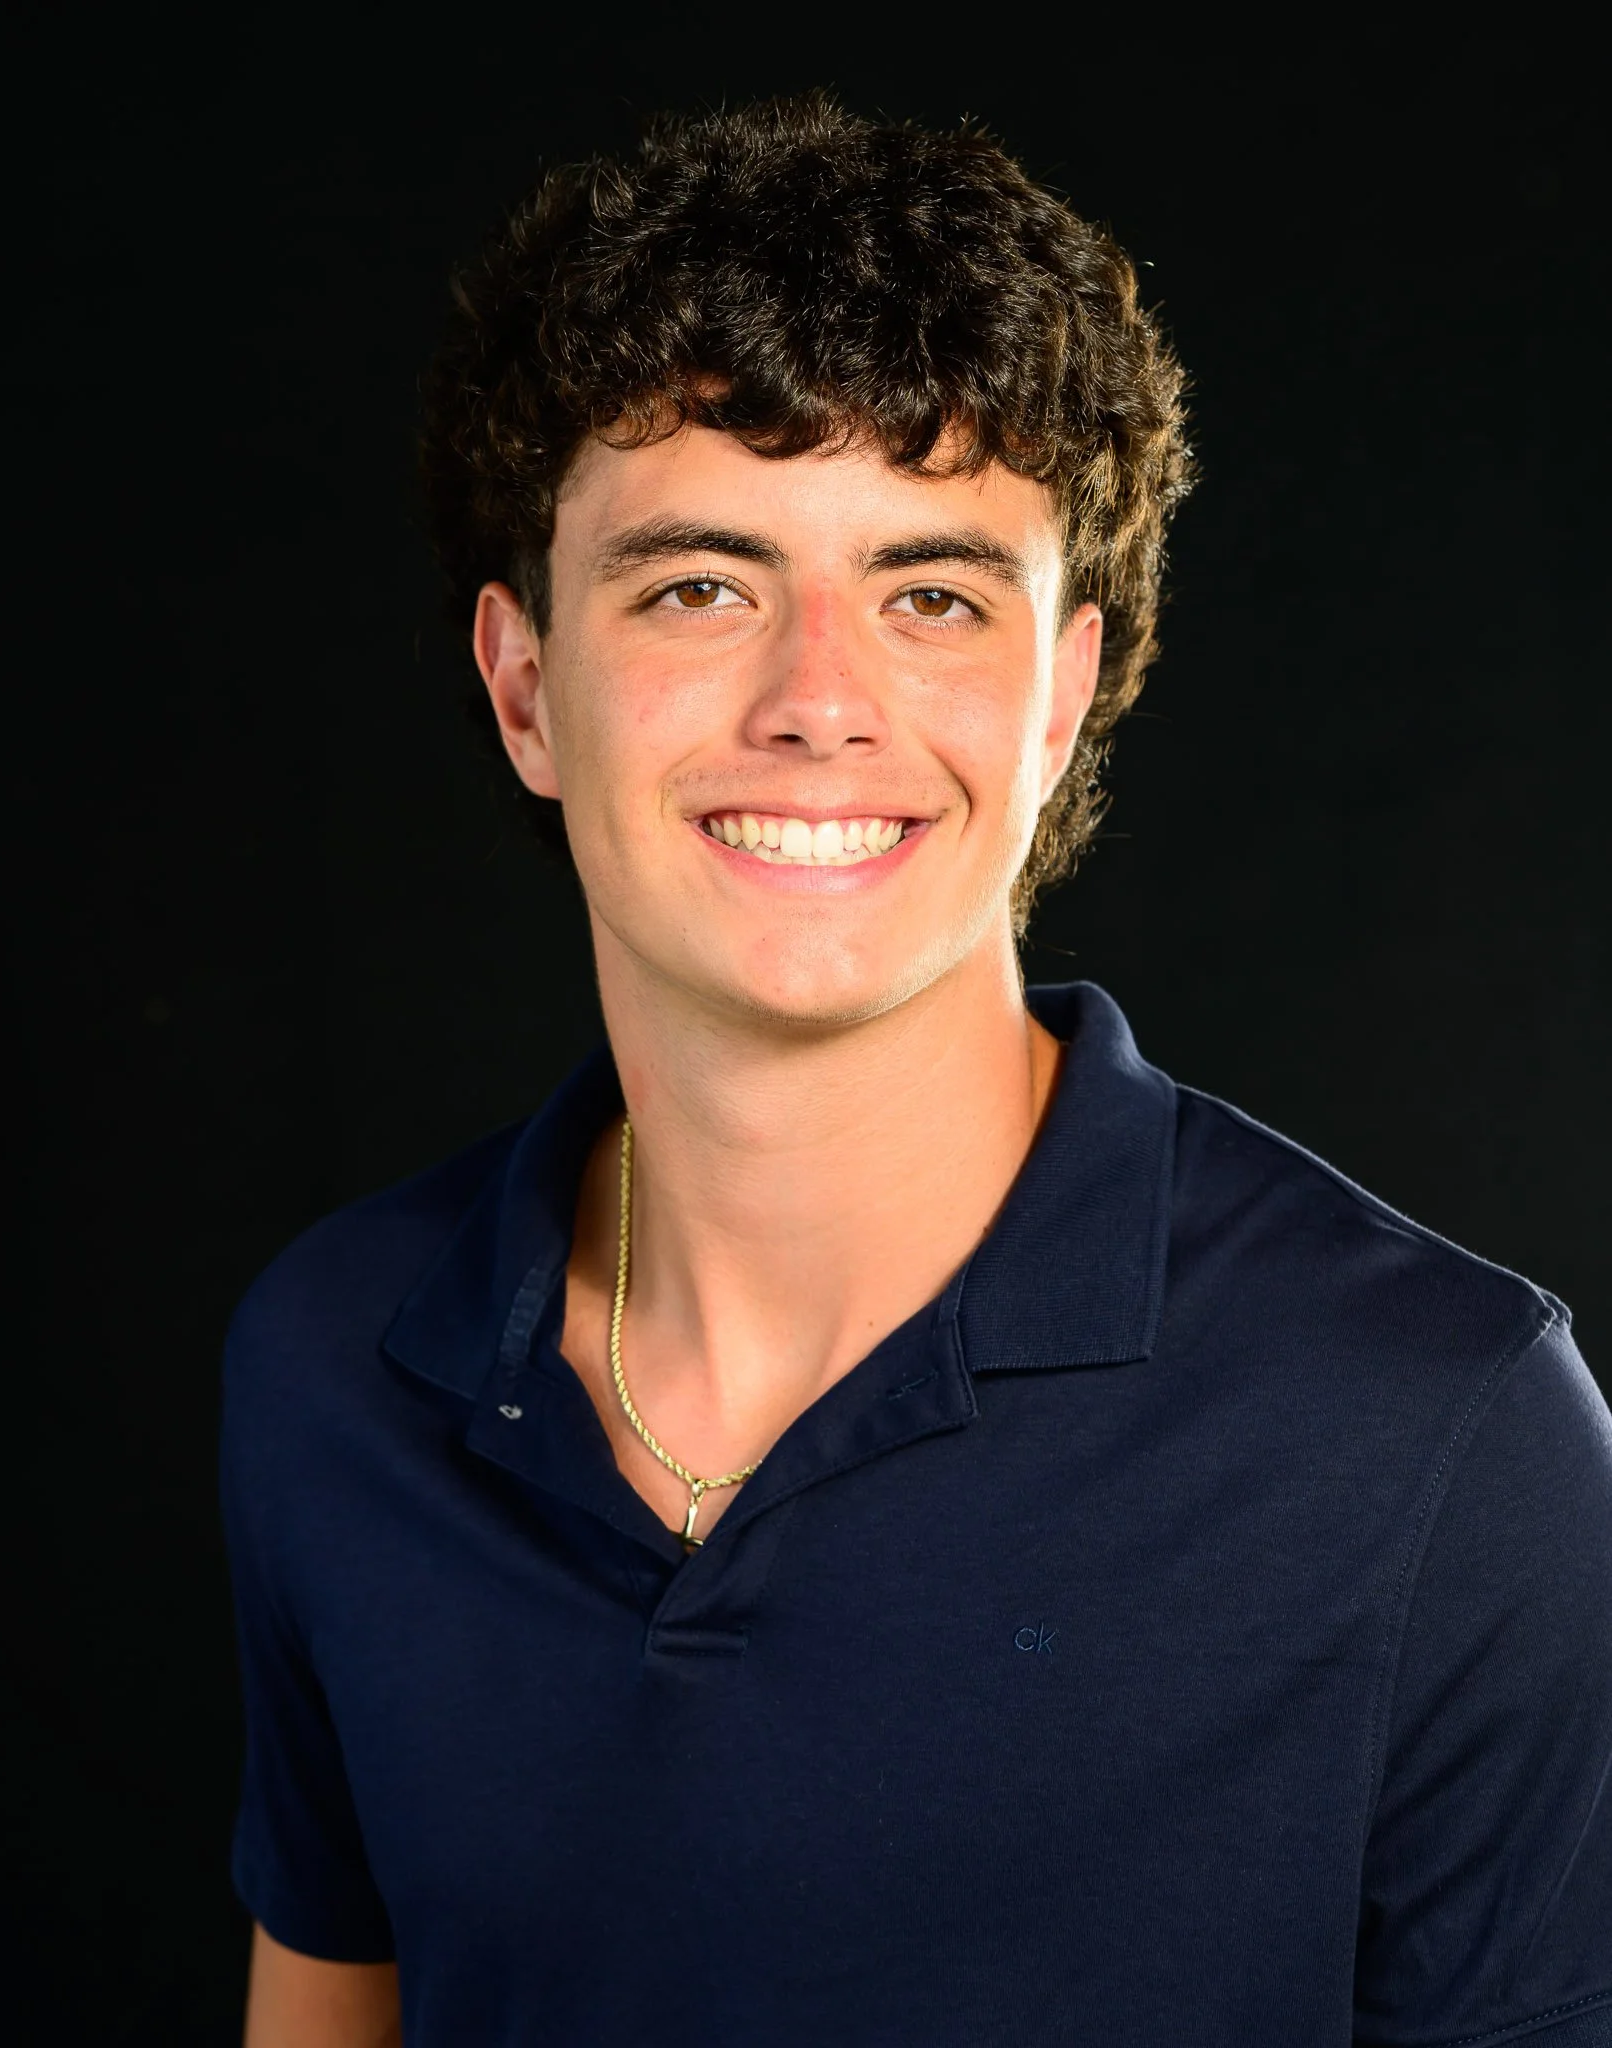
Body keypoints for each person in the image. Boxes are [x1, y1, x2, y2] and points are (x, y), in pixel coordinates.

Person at [222, 95, 1612, 2047]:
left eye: (932, 594)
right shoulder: (335, 1365)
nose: (818, 700)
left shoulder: (1442, 1439)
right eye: (699, 584)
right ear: (526, 686)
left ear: (1061, 698)